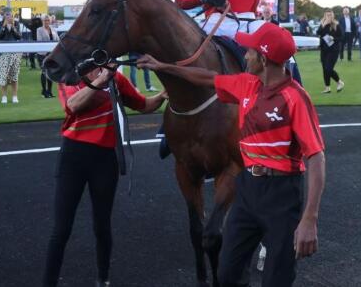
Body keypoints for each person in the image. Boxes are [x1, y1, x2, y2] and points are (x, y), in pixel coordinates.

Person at [136, 22, 325, 287]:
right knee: (227, 274)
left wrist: (309, 218)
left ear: (263, 58)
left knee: (277, 279)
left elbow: (316, 156)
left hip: (282, 194)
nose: (244, 55)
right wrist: (163, 67)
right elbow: (204, 77)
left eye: (249, 51)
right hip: (247, 189)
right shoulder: (247, 85)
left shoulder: (295, 98)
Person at [43, 65, 167, 287]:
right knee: (61, 228)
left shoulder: (117, 79)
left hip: (105, 160)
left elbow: (144, 105)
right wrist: (101, 81)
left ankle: (103, 278)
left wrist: (163, 95)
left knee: (102, 225)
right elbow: (72, 105)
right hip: (73, 157)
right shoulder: (70, 76)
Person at [0, 10, 22, 104]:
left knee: (14, 76)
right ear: (4, 17)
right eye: (7, 16)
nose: (8, 18)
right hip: (3, 52)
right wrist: (3, 27)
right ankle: (4, 97)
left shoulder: (17, 24)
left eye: (10, 16)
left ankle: (15, 96)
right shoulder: (0, 24)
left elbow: (19, 36)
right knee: (3, 76)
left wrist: (13, 28)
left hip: (15, 52)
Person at [317, 10, 344, 93]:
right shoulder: (322, 24)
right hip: (324, 50)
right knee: (324, 69)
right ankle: (327, 88)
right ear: (324, 16)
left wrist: (334, 38)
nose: (328, 17)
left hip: (334, 50)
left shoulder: (336, 25)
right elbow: (318, 33)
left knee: (328, 68)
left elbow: (342, 37)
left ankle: (339, 82)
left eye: (330, 15)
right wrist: (323, 25)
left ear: (332, 16)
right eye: (327, 15)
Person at [36, 14, 59, 98]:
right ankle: (44, 91)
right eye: (45, 20)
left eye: (48, 20)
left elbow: (57, 40)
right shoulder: (39, 30)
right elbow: (39, 41)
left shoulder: (53, 29)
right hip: (42, 54)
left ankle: (49, 91)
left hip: (52, 54)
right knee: (44, 72)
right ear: (42, 21)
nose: (46, 22)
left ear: (50, 21)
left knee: (50, 72)